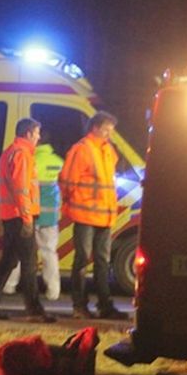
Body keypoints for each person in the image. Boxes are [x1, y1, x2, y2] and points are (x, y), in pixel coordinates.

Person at [0, 118, 56, 322]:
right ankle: (34, 310)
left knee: (8, 262)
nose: (39, 137)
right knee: (29, 264)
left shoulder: (10, 152)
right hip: (20, 216)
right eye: (37, 133)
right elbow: (21, 189)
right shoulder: (22, 155)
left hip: (11, 215)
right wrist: (27, 218)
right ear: (28, 133)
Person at [60, 112, 127, 320]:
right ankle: (79, 306)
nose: (110, 134)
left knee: (102, 263)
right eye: (107, 129)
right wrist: (75, 203)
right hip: (86, 215)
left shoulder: (108, 151)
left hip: (104, 217)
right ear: (95, 128)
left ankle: (104, 305)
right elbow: (67, 181)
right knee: (82, 261)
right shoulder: (82, 149)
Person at [3, 132, 64, 300]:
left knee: (21, 251)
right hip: (50, 216)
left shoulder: (30, 159)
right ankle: (53, 291)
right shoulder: (58, 162)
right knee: (49, 253)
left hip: (31, 213)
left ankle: (9, 285)